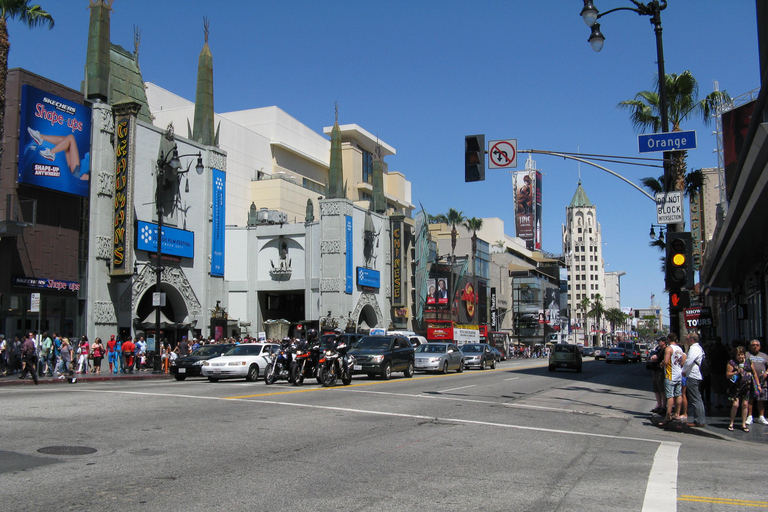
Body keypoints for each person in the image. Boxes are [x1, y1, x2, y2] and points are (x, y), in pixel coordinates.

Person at [660, 333, 686, 426]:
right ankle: (677, 414)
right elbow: (683, 362)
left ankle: (668, 415)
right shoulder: (680, 349)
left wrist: (662, 364)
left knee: (670, 396)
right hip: (679, 373)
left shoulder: (669, 348)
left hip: (670, 374)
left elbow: (666, 362)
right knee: (678, 394)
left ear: (669, 339)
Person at [681, 332, 706, 427]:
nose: (686, 341)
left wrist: (683, 371)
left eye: (687, 339)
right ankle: (699, 419)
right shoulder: (698, 348)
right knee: (697, 398)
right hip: (695, 375)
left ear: (692, 340)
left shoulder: (694, 348)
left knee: (695, 399)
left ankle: (699, 420)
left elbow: (689, 361)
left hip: (693, 375)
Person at [727, 346, 754, 432]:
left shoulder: (749, 361)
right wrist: (736, 372)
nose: (740, 357)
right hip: (736, 387)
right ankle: (731, 422)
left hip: (746, 387)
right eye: (738, 355)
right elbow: (728, 375)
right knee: (735, 405)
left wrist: (757, 385)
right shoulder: (732, 362)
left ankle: (743, 424)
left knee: (745, 404)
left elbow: (754, 373)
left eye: (742, 354)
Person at [745, 339, 768, 425]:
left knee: (761, 399)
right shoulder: (747, 354)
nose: (755, 347)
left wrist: (766, 373)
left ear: (760, 346)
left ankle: (761, 416)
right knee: (750, 399)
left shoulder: (764, 356)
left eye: (757, 345)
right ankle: (750, 416)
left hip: (762, 381)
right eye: (753, 345)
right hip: (750, 380)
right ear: (750, 346)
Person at [648, 336, 667, 414]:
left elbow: (654, 358)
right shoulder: (659, 350)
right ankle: (659, 405)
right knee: (656, 390)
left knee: (661, 390)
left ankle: (663, 406)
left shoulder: (665, 350)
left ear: (663, 342)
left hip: (660, 372)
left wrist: (652, 358)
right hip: (655, 371)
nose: (658, 343)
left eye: (660, 341)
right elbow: (652, 357)